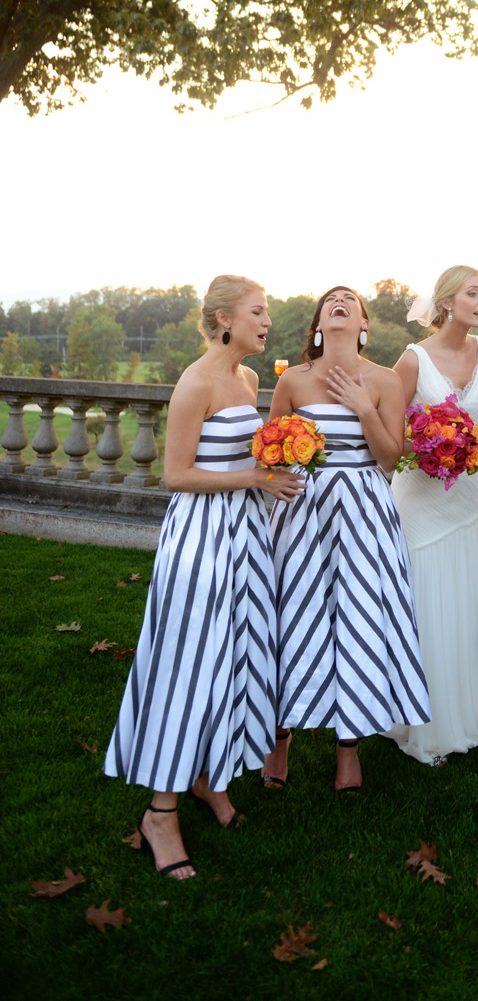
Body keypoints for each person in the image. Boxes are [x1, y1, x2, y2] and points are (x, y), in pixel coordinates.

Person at [104, 276, 302, 879]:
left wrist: (280, 461)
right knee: (189, 664)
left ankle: (208, 778)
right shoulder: (195, 383)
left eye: (266, 311)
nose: (267, 320)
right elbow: (176, 475)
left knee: (238, 658)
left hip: (246, 536)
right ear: (223, 318)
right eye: (257, 311)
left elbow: (245, 456)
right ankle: (160, 812)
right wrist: (256, 480)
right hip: (200, 541)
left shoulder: (246, 380)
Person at [260, 286, 430, 794]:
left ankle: (348, 749)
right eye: (329, 300)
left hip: (363, 511)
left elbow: (387, 457)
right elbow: (269, 452)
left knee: (359, 620)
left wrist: (362, 407)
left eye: (348, 301)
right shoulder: (292, 380)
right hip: (303, 510)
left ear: (363, 325)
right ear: (318, 323)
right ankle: (280, 738)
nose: (338, 302)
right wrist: (279, 473)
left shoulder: (382, 380)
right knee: (293, 615)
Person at [385, 265, 478, 764]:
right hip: (421, 495)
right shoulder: (412, 360)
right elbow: (386, 434)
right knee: (427, 597)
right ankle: (427, 715)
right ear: (447, 301)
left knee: (471, 597)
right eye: (474, 293)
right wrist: (429, 445)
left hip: (469, 494)